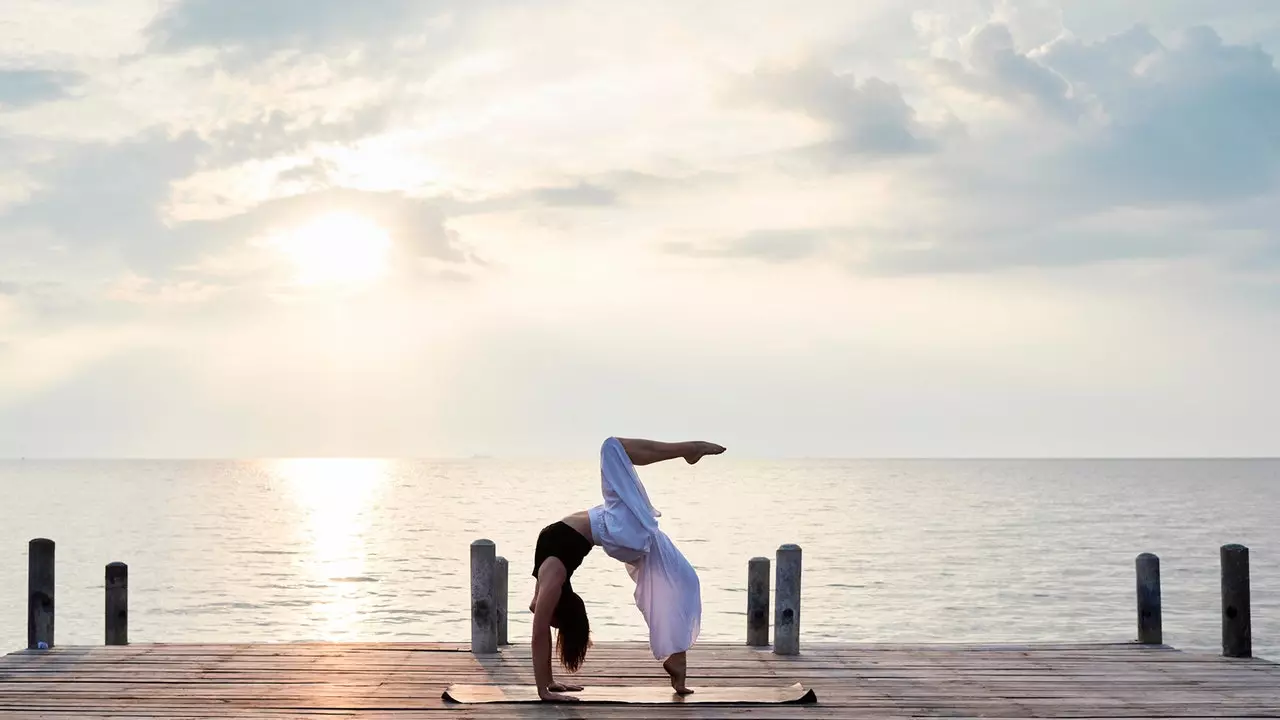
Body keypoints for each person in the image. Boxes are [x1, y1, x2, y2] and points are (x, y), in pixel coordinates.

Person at [529, 436, 726, 702]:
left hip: (614, 527)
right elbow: (539, 628)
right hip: (615, 528)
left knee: (684, 578)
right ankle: (688, 450)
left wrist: (549, 682)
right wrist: (543, 690)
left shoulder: (550, 576)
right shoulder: (554, 575)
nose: (552, 625)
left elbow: (536, 612)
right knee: (611, 447)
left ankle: (676, 658)